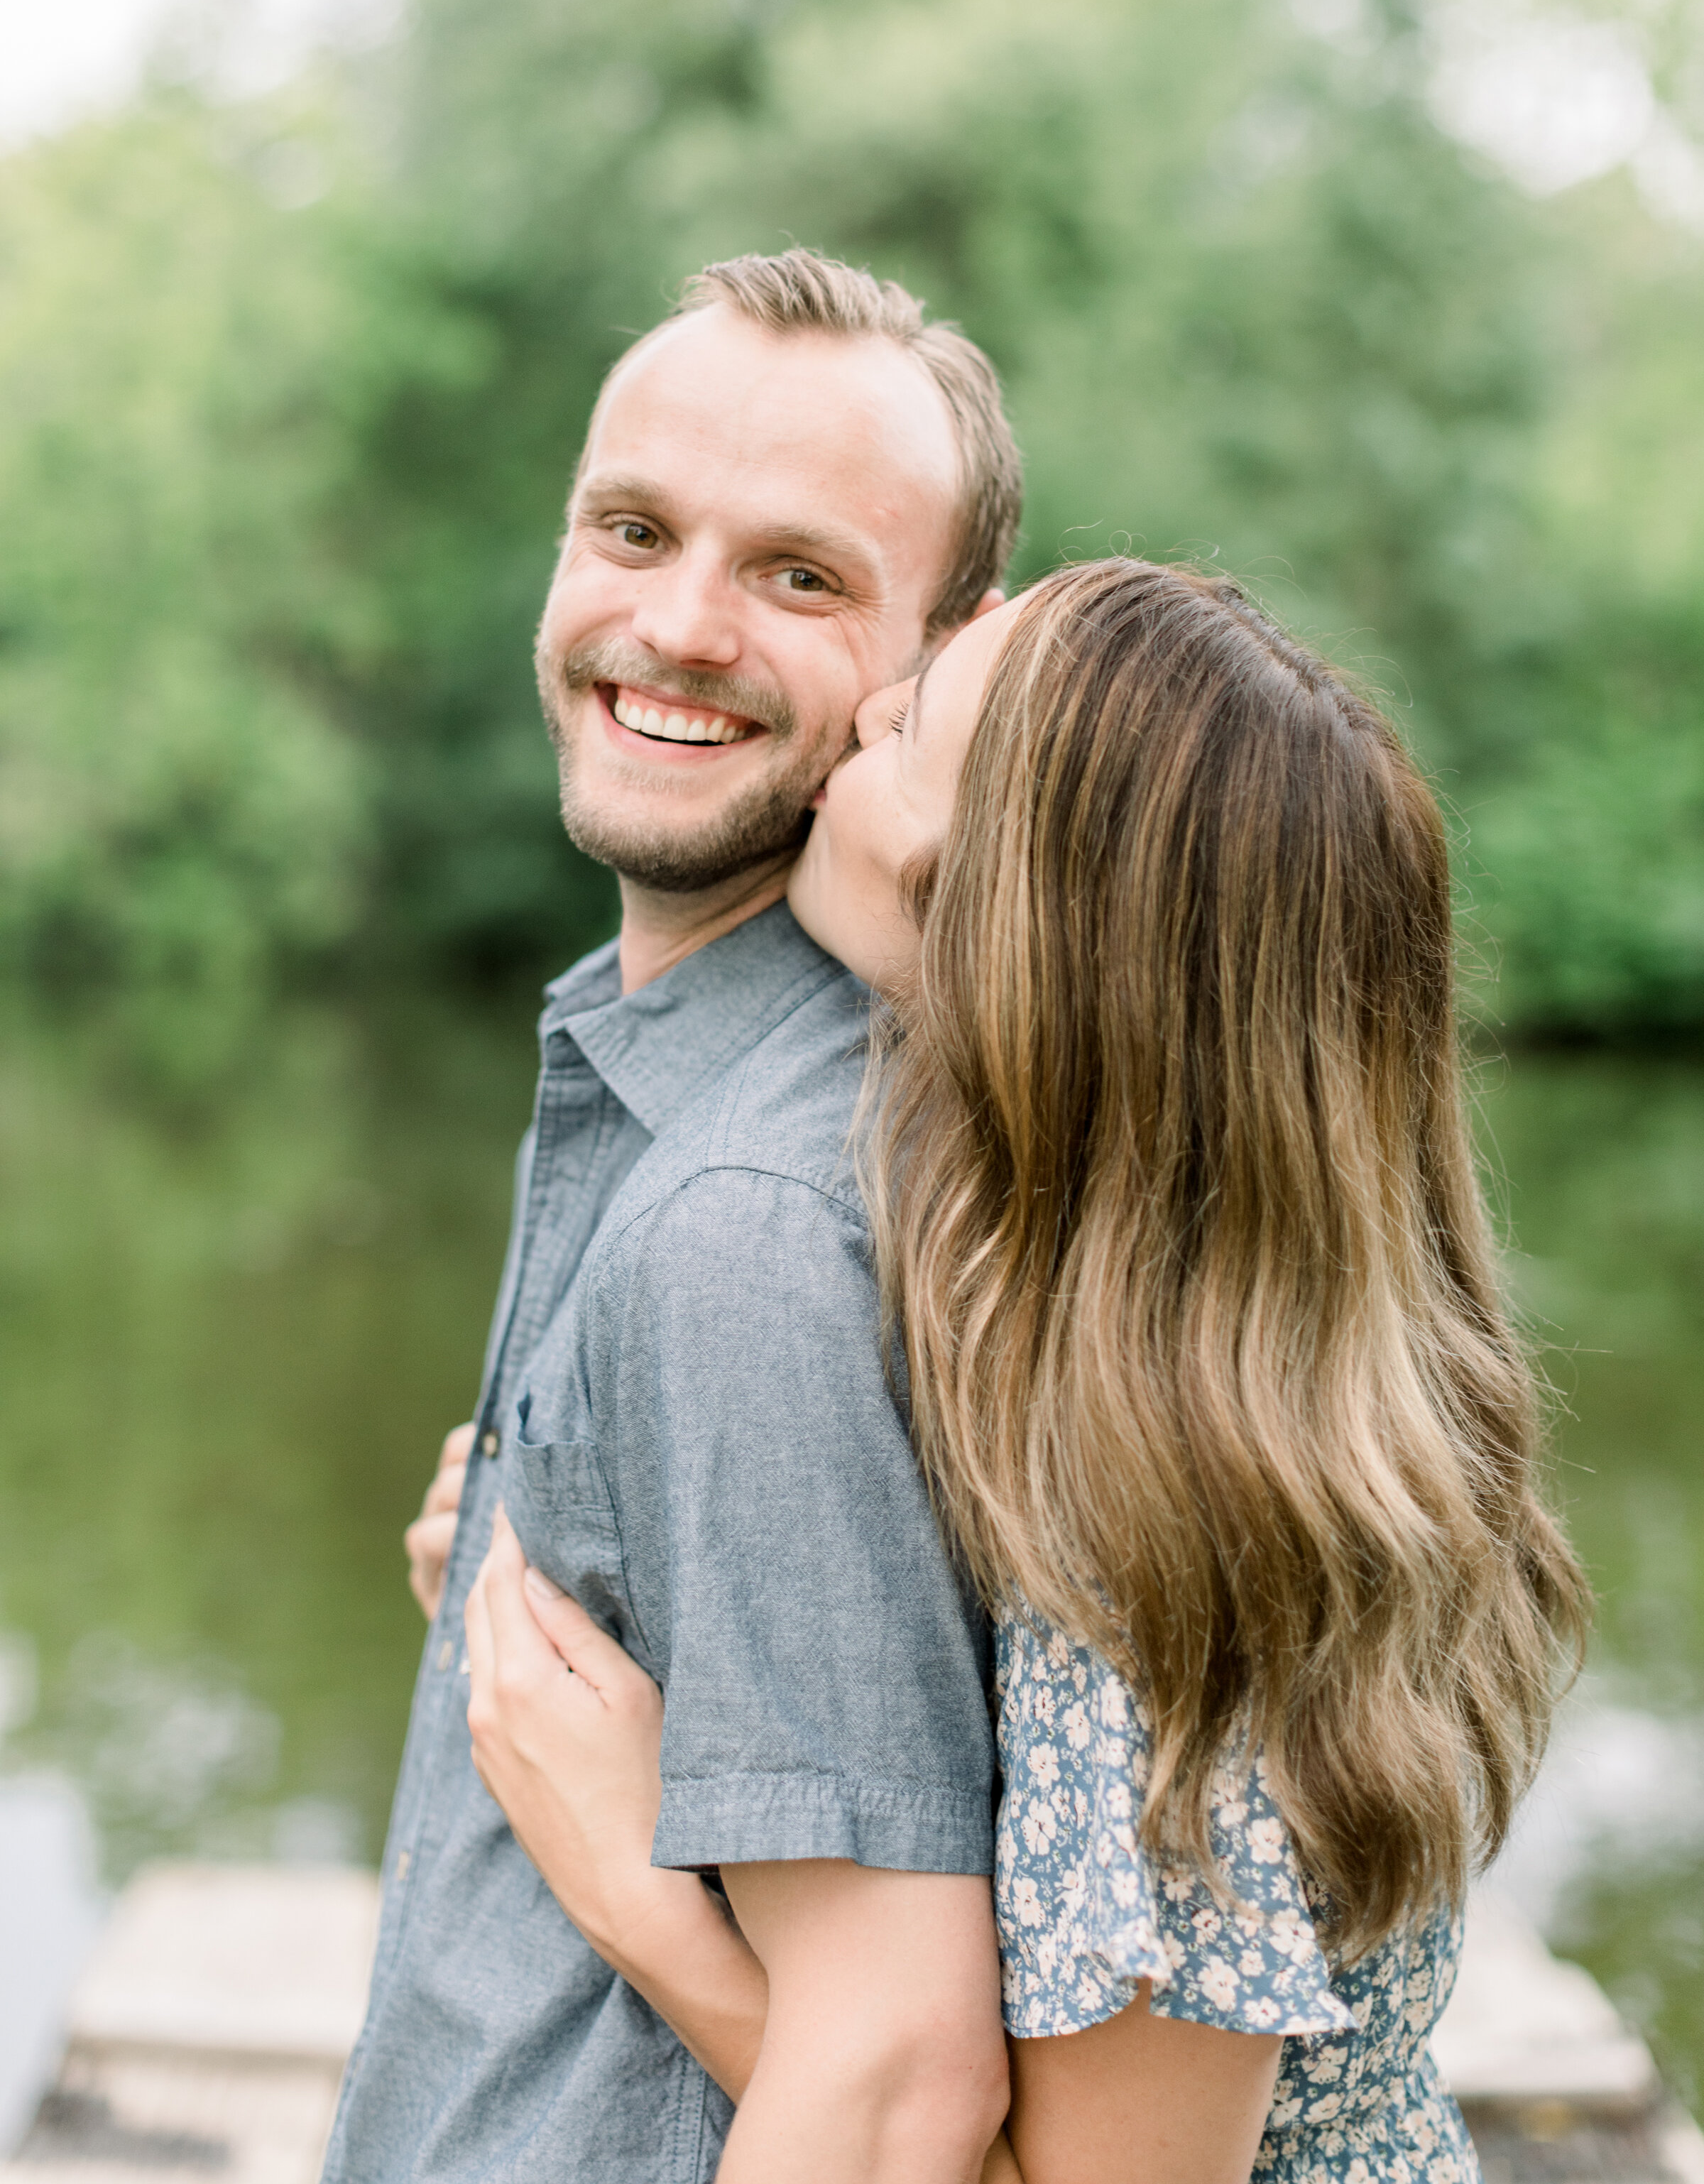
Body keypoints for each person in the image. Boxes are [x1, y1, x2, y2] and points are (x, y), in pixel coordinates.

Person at [463, 559, 1589, 2184]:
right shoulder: (1257, 1387)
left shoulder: (1154, 1597)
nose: (856, 711)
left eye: (903, 728)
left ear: (977, 919)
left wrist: (638, 1901)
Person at [322, 249, 1027, 2184]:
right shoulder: (682, 1083)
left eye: (802, 575)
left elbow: (892, 2088)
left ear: (942, 658)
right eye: (631, 529)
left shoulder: (757, 1216)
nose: (677, 624)